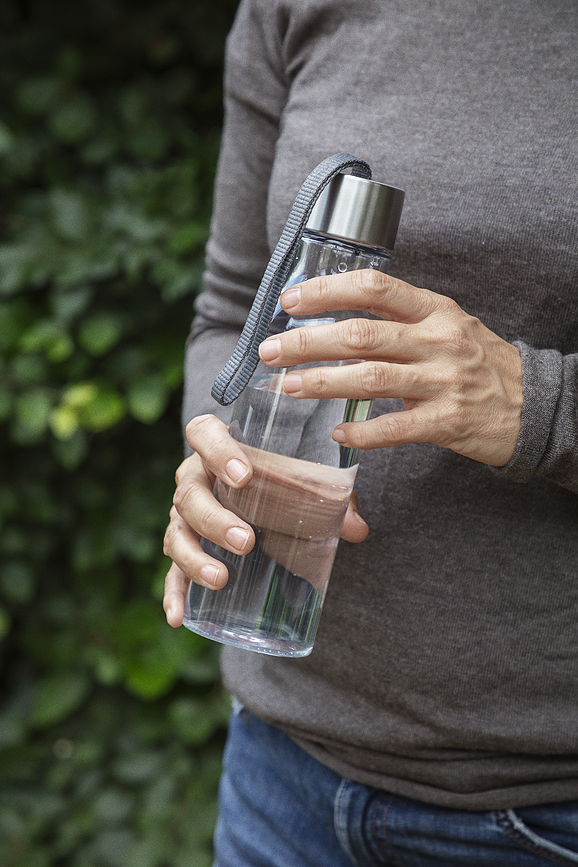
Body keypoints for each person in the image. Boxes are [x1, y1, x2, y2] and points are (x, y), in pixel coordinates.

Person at [162, 0, 578, 863]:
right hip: (285, 774)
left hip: (548, 806)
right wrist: (220, 445)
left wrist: (537, 406)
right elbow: (231, 309)